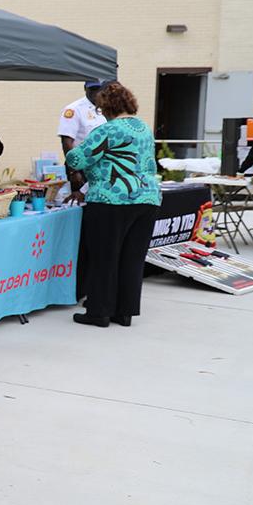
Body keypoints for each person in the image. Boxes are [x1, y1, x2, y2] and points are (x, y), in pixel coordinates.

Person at [64, 82, 160, 328]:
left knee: (104, 256)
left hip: (112, 199)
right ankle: (124, 311)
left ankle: (99, 312)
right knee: (132, 257)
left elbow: (76, 157)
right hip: (147, 198)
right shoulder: (144, 128)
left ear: (106, 107)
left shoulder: (107, 130)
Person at [58, 79, 109, 201]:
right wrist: (74, 171)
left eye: (98, 89)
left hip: (100, 165)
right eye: (92, 89)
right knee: (80, 201)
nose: (95, 93)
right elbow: (67, 141)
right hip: (80, 165)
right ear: (85, 88)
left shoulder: (107, 108)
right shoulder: (74, 109)